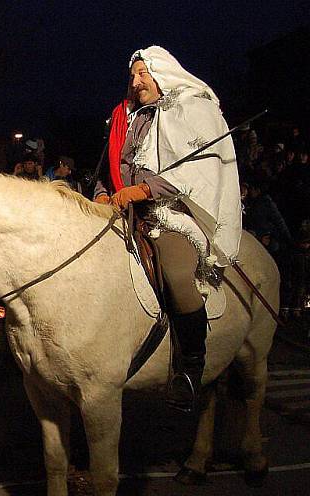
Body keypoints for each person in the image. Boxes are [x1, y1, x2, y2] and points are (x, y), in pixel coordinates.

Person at [92, 46, 243, 411]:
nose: (135, 80)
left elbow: (195, 174)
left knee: (175, 272)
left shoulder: (189, 110)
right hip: (122, 209)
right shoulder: (124, 118)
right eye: (132, 75)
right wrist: (101, 194)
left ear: (161, 72)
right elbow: (104, 169)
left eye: (143, 73)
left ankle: (190, 368)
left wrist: (142, 190)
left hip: (170, 214)